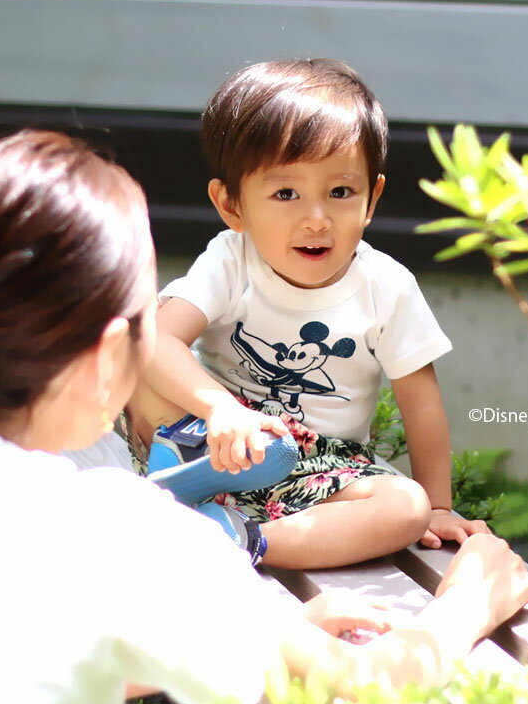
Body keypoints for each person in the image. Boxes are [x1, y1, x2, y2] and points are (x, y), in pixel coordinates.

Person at [0, 130, 528, 704]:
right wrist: (465, 604)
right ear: (115, 350)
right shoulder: (120, 532)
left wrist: (260, 632)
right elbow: (364, 696)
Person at [126, 58, 490, 570]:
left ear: (372, 198)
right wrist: (221, 411)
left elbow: (421, 404)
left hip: (319, 466)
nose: (316, 218)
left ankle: (238, 537)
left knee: (403, 507)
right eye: (286, 193)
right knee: (139, 331)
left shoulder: (385, 288)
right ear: (232, 205)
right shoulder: (232, 259)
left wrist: (437, 506)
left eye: (340, 192)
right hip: (212, 432)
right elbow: (158, 341)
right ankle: (185, 463)